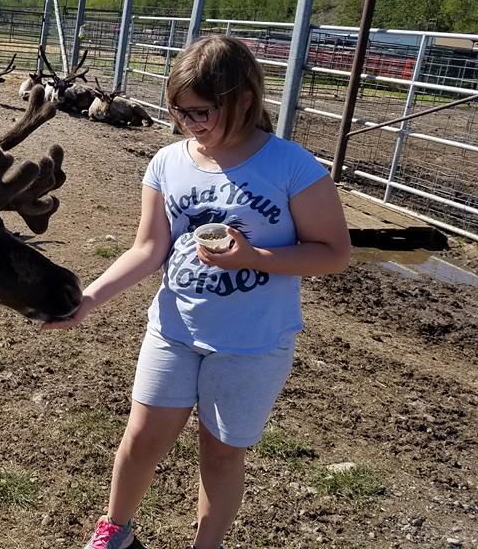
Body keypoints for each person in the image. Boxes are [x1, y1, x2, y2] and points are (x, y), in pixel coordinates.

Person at [44, 35, 351, 549]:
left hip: (252, 344)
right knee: (141, 439)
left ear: (244, 99)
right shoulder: (168, 163)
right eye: (181, 112)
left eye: (202, 111)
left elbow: (334, 252)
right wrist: (89, 300)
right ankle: (115, 530)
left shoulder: (291, 166)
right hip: (174, 331)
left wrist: (254, 258)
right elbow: (148, 249)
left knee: (221, 454)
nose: (191, 124)